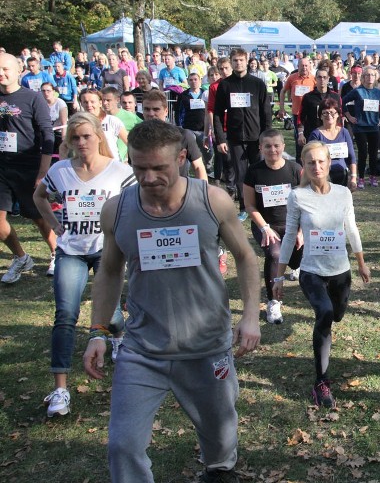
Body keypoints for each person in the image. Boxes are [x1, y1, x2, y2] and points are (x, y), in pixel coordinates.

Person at [81, 120, 259, 482]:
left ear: (180, 158)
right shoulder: (117, 210)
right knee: (122, 447)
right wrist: (98, 330)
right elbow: (110, 272)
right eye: (139, 168)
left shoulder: (212, 201)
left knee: (220, 439)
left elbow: (245, 256)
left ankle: (219, 471)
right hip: (143, 348)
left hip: (206, 346)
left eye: (158, 168)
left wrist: (251, 316)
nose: (147, 178)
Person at [34, 113, 135, 418]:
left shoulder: (119, 171)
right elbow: (40, 196)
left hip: (107, 252)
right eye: (75, 138)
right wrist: (54, 225)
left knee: (111, 311)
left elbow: (135, 203)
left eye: (86, 136)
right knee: (65, 314)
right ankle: (61, 388)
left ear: (98, 137)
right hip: (71, 251)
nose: (81, 143)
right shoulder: (61, 170)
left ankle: (117, 336)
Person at [273, 141, 370, 408]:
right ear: (303, 166)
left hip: (341, 271)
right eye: (310, 162)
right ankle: (321, 382)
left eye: (321, 161)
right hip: (312, 272)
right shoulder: (297, 196)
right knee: (325, 314)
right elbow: (290, 235)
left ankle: (329, 327)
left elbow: (351, 228)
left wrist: (361, 262)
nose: (316, 167)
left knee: (337, 313)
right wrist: (279, 277)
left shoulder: (342, 194)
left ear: (329, 163)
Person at [0, 53, 57, 282]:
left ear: (18, 70)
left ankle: (55, 253)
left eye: (5, 69)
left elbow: (47, 134)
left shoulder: (32, 98)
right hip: (1, 168)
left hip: (28, 166)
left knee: (37, 216)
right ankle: (21, 257)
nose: (1, 73)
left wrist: (43, 172)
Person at [243, 129, 303, 324]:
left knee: (296, 258)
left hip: (293, 224)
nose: (272, 150)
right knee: (275, 254)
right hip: (266, 225)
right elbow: (250, 206)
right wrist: (265, 228)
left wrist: (301, 231)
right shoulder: (254, 171)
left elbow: (306, 202)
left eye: (276, 145)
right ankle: (273, 302)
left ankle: (296, 266)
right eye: (267, 146)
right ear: (260, 148)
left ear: (283, 147)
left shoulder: (295, 169)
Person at [213, 48, 272, 219]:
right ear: (230, 62)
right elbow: (217, 113)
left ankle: (262, 204)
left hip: (257, 137)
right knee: (240, 174)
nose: (238, 63)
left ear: (246, 60)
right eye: (235, 60)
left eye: (241, 60)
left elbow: (266, 111)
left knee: (259, 171)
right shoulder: (225, 85)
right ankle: (245, 206)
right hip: (235, 137)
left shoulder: (258, 84)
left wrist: (266, 136)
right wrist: (220, 139)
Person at [141, 90, 207, 180]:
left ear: (166, 111)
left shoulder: (184, 135)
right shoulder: (137, 137)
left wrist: (202, 192)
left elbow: (199, 167)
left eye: (156, 109)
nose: (151, 114)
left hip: (177, 191)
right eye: (147, 109)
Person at [343, 66, 380, 189]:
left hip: (374, 127)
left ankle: (373, 176)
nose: (370, 77)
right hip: (360, 127)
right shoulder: (358, 91)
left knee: (374, 153)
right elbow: (343, 101)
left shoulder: (379, 92)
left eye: (372, 75)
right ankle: (361, 177)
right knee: (363, 153)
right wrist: (349, 116)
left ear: (375, 78)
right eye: (367, 75)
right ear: (363, 77)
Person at [307, 98, 357, 188]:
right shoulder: (316, 134)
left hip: (342, 175)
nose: (329, 115)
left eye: (332, 112)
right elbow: (310, 158)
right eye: (325, 112)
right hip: (322, 177)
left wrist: (353, 178)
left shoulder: (344, 132)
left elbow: (352, 156)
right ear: (320, 116)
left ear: (338, 115)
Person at [40, 83, 68, 156]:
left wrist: (63, 140)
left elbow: (63, 124)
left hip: (58, 132)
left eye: (48, 91)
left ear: (53, 92)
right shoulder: (40, 103)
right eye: (43, 91)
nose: (46, 93)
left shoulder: (60, 103)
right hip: (45, 131)